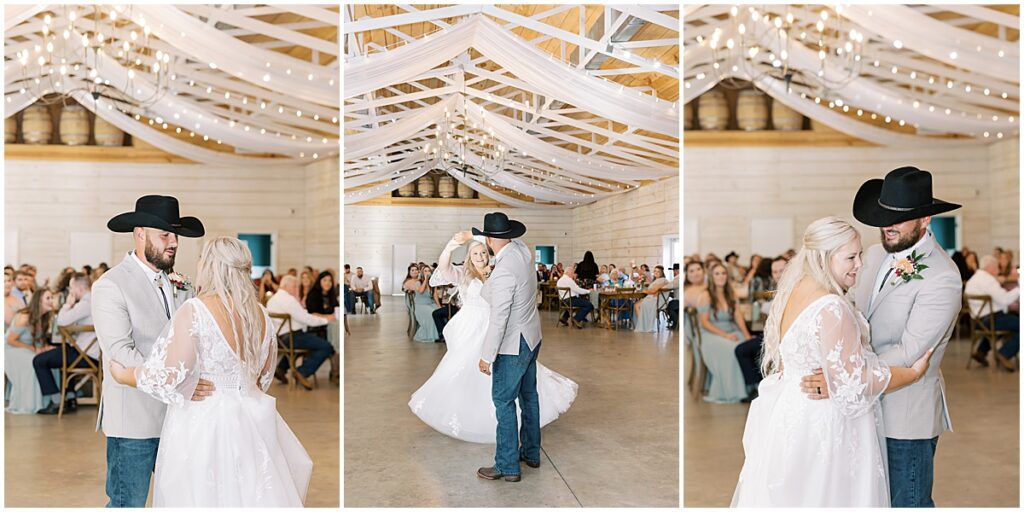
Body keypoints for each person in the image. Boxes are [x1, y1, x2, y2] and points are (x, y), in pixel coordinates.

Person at [732, 216, 936, 507]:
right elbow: (856, 381)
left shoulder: (796, 290)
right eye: (850, 257)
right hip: (824, 421)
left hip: (792, 414)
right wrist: (913, 373)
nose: (860, 264)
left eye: (860, 254)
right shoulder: (831, 306)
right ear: (824, 257)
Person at [107, 237, 312, 506]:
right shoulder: (261, 315)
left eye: (202, 259)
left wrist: (126, 375)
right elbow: (262, 378)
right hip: (252, 423)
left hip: (204, 423)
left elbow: (171, 376)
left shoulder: (196, 310)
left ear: (212, 266)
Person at [800, 167, 962, 506]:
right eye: (885, 214)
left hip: (905, 414)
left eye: (900, 218)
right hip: (860, 410)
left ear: (925, 219)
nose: (887, 224)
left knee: (907, 501)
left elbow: (909, 353)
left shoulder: (942, 278)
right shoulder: (871, 256)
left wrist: (844, 377)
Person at [91, 195, 210, 507]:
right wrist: (179, 381)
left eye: (175, 235)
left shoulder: (178, 282)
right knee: (127, 503)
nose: (173, 243)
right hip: (134, 419)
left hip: (179, 418)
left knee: (181, 499)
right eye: (164, 235)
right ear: (140, 233)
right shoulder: (111, 285)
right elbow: (120, 352)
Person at [411, 230, 576, 445]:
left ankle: (500, 421)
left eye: (483, 253)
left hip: (495, 326)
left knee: (500, 376)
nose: (480, 257)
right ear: (469, 258)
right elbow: (443, 267)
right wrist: (453, 244)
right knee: (464, 371)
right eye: (475, 254)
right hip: (471, 328)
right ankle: (472, 419)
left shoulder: (498, 271)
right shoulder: (463, 275)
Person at [474, 213, 545, 482]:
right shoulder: (522, 251)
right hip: (532, 336)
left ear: (491, 240)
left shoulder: (503, 271)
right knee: (529, 397)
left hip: (513, 344)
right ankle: (531, 453)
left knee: (503, 401)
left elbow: (499, 318)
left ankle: (507, 466)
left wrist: (486, 356)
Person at [35, 273, 100, 414]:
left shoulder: (84, 304)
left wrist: (67, 305)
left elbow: (61, 322)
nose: (70, 291)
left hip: (84, 356)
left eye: (71, 288)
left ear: (78, 288)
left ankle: (56, 401)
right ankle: (70, 397)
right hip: (93, 354)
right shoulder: (97, 300)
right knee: (62, 354)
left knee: (39, 361)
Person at [267, 275, 336, 389]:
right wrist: (325, 320)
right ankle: (302, 372)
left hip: (278, 340)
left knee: (303, 342)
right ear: (287, 286)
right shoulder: (288, 299)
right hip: (291, 338)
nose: (295, 289)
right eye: (294, 287)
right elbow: (306, 319)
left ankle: (281, 368)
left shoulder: (272, 300)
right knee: (326, 347)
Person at [696, 262, 751, 403]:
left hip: (731, 330)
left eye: (723, 273)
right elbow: (705, 323)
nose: (721, 276)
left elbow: (738, 316)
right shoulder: (705, 295)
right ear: (711, 276)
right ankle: (734, 391)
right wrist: (725, 335)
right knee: (733, 349)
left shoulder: (731, 293)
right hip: (711, 335)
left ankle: (751, 386)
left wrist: (747, 335)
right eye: (717, 273)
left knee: (749, 346)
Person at [6, 288, 56, 414]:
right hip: (12, 349)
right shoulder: (24, 317)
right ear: (38, 301)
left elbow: (39, 339)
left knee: (48, 359)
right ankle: (33, 404)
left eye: (52, 298)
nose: (52, 301)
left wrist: (45, 347)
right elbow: (10, 340)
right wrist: (34, 349)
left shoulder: (45, 317)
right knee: (34, 362)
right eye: (48, 298)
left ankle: (51, 400)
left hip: (29, 347)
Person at [966, 254, 1020, 370]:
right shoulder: (988, 280)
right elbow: (1005, 300)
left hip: (977, 322)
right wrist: (1019, 289)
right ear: (990, 267)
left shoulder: (974, 279)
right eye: (997, 267)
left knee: (1004, 319)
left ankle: (981, 352)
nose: (998, 270)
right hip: (989, 320)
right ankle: (1004, 353)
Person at [406, 265, 440, 342]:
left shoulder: (432, 283)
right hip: (420, 305)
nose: (427, 273)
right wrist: (425, 279)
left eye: (428, 271)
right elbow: (421, 291)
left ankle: (441, 334)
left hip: (430, 303)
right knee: (432, 314)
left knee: (439, 312)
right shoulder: (419, 282)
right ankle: (431, 336)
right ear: (422, 273)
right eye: (425, 271)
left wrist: (439, 305)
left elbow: (435, 296)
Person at [634, 265, 670, 332]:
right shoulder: (656, 280)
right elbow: (651, 290)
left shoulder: (663, 280)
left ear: (662, 273)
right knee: (636, 304)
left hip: (658, 300)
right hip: (652, 298)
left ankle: (643, 325)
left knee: (637, 305)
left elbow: (653, 291)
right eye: (655, 271)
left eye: (658, 271)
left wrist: (643, 290)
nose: (656, 272)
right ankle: (642, 324)